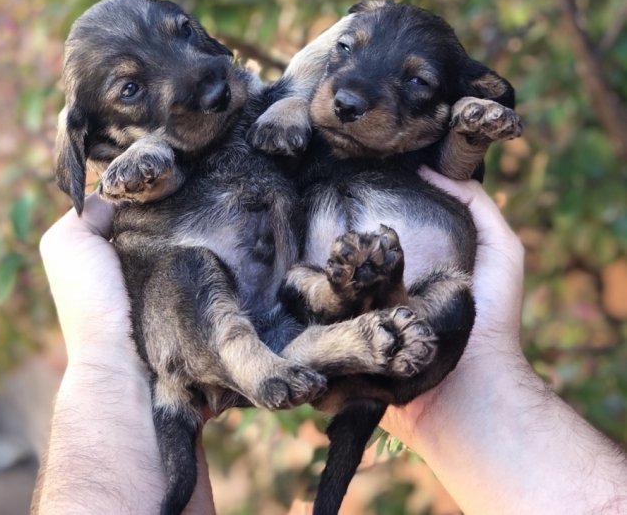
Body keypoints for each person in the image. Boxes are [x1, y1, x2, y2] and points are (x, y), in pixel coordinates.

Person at [31, 169, 627, 515]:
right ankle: (307, 347)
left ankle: (330, 339)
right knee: (210, 283)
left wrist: (106, 367)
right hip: (221, 321)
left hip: (305, 303)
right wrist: (113, 360)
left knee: (313, 296)